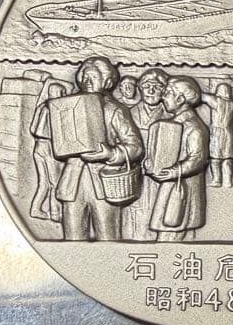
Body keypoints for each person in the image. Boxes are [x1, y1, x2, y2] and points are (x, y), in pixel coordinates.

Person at [54, 55, 144, 241]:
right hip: (73, 184)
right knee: (72, 240)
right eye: (84, 76)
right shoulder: (70, 107)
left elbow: (135, 146)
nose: (87, 81)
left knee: (107, 239)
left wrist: (111, 154)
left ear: (107, 82)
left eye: (93, 77)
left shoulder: (114, 110)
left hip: (104, 184)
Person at [147, 76, 210, 241]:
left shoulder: (193, 127)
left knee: (173, 235)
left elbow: (197, 158)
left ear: (180, 99)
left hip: (183, 191)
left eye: (168, 93)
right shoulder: (172, 125)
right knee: (169, 234)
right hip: (170, 185)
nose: (163, 97)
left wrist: (174, 171)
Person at [122, 68, 169, 240]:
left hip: (160, 177)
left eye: (157, 87)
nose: (151, 90)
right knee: (134, 217)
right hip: (134, 175)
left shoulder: (170, 115)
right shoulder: (127, 114)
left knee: (160, 214)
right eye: (147, 86)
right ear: (140, 88)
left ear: (164, 91)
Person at [29, 78, 67, 224]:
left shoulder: (41, 107)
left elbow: (33, 128)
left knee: (43, 182)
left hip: (38, 146)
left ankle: (35, 209)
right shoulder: (55, 109)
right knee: (55, 183)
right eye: (62, 93)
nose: (64, 96)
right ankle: (55, 213)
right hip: (50, 147)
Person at [204, 83, 233, 188]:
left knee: (215, 159)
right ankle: (228, 181)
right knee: (227, 159)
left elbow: (202, 96)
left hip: (217, 132)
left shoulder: (217, 101)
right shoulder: (232, 104)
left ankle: (217, 180)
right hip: (228, 132)